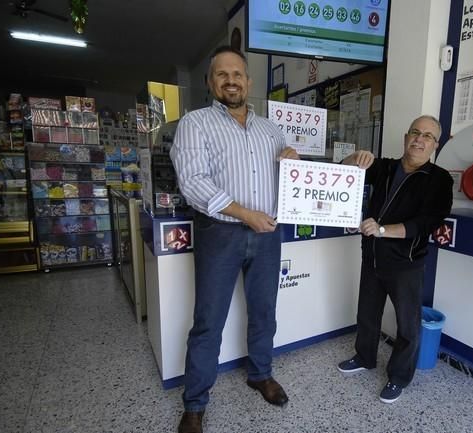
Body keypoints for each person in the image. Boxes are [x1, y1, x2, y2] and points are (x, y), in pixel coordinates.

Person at [170, 46, 299, 433]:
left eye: (237, 74)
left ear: (249, 81)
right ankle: (195, 403)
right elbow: (193, 183)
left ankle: (260, 374)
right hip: (221, 233)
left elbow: (289, 178)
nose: (231, 80)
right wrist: (245, 214)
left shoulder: (271, 130)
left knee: (264, 312)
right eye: (222, 74)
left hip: (268, 234)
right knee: (209, 321)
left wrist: (292, 157)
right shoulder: (194, 124)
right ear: (211, 82)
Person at [339, 115, 453, 404]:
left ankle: (399, 377)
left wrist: (382, 230)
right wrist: (355, 157)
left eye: (427, 136)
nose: (419, 139)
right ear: (406, 136)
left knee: (407, 325)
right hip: (373, 255)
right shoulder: (386, 167)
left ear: (435, 145)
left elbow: (427, 222)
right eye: (415, 132)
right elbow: (343, 174)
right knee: (367, 313)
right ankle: (365, 357)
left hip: (406, 263)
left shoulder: (439, 179)